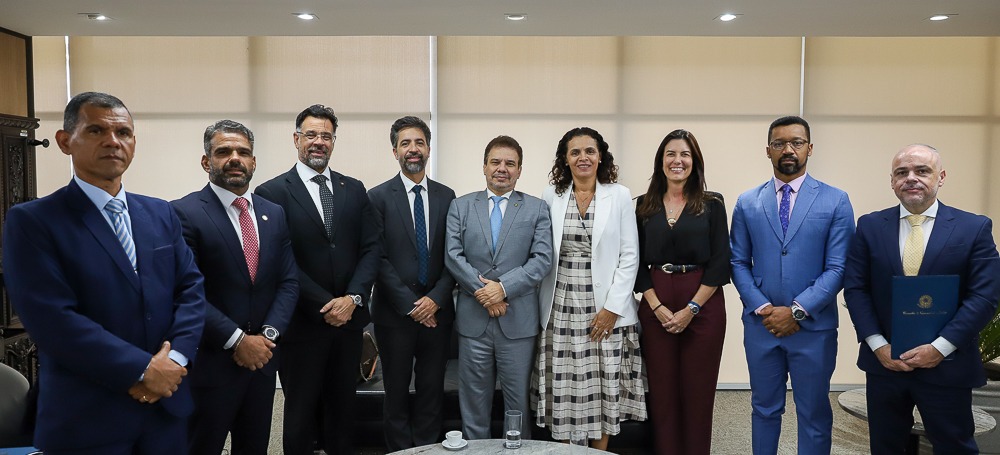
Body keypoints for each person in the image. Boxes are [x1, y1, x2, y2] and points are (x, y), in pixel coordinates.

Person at [2, 92, 206, 455]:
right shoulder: (34, 221)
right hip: (87, 416)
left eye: (124, 133)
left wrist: (173, 362)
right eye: (96, 130)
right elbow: (52, 319)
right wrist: (143, 370)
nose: (113, 141)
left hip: (165, 411)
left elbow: (191, 290)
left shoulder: (160, 213)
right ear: (66, 142)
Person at [844, 144, 1000, 454]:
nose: (911, 178)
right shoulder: (870, 226)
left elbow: (984, 295)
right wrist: (878, 345)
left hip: (947, 363)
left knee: (954, 446)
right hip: (886, 364)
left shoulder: (974, 227)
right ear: (892, 181)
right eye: (902, 172)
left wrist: (939, 348)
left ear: (941, 177)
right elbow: (856, 289)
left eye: (922, 171)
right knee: (887, 446)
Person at [254, 104, 379, 455]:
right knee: (300, 413)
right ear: (296, 139)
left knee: (343, 410)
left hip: (349, 324)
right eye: (311, 135)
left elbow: (371, 249)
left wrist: (352, 298)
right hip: (302, 324)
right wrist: (325, 303)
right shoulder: (271, 192)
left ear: (334, 142)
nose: (318, 142)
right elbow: (279, 259)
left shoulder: (353, 189)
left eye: (326, 135)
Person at [172, 120, 298, 455]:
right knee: (201, 447)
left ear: (253, 162)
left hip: (262, 362)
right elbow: (187, 292)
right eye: (223, 151)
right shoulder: (183, 213)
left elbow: (288, 281)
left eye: (243, 152)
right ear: (206, 162)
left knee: (254, 447)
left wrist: (267, 337)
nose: (235, 158)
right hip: (211, 363)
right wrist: (237, 340)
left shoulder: (274, 214)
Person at [730, 115, 855, 454]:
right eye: (779, 143)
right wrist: (764, 308)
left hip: (813, 329)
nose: (788, 149)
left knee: (813, 412)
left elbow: (839, 267)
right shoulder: (747, 202)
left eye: (797, 143)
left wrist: (797, 311)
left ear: (810, 148)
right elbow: (738, 262)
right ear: (767, 150)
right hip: (762, 325)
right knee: (764, 409)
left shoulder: (836, 200)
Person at [531, 127, 645, 450]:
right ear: (565, 160)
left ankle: (599, 452)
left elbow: (630, 255)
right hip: (560, 301)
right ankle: (566, 450)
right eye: (575, 152)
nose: (583, 157)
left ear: (600, 157)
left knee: (603, 383)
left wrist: (612, 309)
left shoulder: (620, 195)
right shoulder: (550, 195)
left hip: (605, 304)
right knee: (564, 384)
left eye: (589, 151)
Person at [445, 135, 553, 440]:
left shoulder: (536, 209)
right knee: (474, 401)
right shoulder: (461, 206)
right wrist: (487, 294)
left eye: (510, 163)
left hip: (518, 322)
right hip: (473, 320)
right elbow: (453, 257)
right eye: (495, 162)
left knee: (517, 400)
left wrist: (502, 289)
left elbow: (542, 260)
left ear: (520, 170)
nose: (501, 168)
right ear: (484, 166)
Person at [634, 129, 730, 454]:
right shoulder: (642, 206)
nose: (678, 161)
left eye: (685, 154)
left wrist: (691, 309)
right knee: (662, 394)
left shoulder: (712, 205)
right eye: (671, 154)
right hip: (655, 303)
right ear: (661, 162)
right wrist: (657, 307)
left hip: (703, 305)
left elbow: (720, 262)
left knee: (698, 394)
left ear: (695, 161)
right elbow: (634, 264)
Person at [368, 116, 457, 450]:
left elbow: (454, 255)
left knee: (432, 389)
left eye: (419, 142)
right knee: (395, 388)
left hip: (438, 311)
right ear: (395, 151)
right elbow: (377, 257)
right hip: (395, 314)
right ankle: (400, 450)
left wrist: (434, 299)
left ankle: (427, 448)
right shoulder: (377, 197)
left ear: (428, 149)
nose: (413, 149)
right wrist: (411, 305)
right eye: (405, 143)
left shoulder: (447, 196)